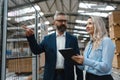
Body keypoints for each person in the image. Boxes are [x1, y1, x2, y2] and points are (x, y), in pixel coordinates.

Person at [23, 11, 83, 80]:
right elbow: (36, 50)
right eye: (60, 21)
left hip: (67, 76)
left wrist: (80, 77)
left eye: (65, 21)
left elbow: (78, 59)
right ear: (54, 23)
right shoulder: (47, 39)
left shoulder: (72, 39)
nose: (63, 23)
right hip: (50, 75)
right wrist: (31, 38)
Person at [72, 16, 115, 80]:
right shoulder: (89, 44)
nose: (87, 26)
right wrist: (77, 62)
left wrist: (85, 60)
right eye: (86, 24)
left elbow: (106, 67)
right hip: (89, 77)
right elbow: (84, 67)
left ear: (98, 25)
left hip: (102, 78)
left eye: (90, 23)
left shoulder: (106, 41)